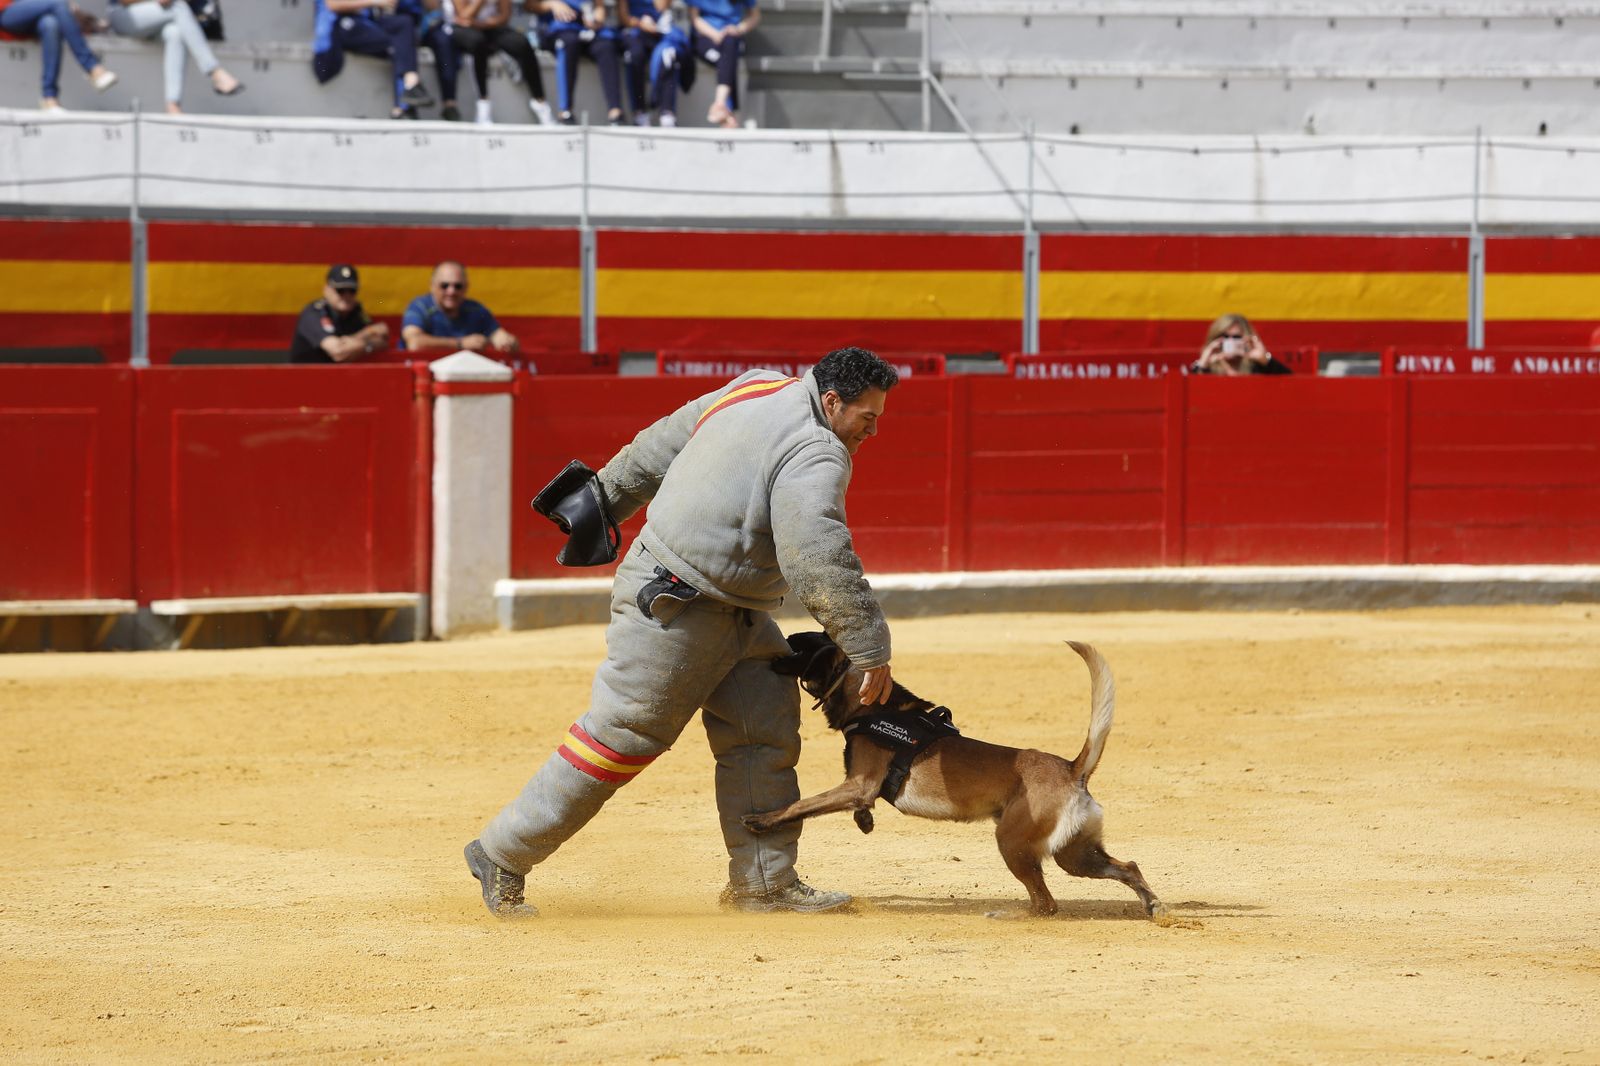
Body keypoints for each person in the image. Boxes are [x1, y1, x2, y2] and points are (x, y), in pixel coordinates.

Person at [463, 345, 899, 918]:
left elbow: (661, 443)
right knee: (624, 734)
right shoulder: (819, 452)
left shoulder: (757, 385)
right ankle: (502, 853)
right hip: (676, 604)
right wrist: (868, 647)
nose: (870, 432)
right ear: (832, 400)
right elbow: (814, 552)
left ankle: (763, 882)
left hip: (732, 608)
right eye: (866, 419)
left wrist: (607, 497)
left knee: (761, 730)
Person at [107, 0, 242, 115]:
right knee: (177, 6)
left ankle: (173, 105)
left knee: (175, 33)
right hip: (124, 15)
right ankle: (215, 71)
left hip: (155, 19)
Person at [311, 0, 436, 120]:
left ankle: (409, 86)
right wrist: (375, 2)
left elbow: (433, 6)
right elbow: (332, 5)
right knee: (400, 44)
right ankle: (405, 103)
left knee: (404, 23)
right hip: (341, 25)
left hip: (368, 23)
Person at [0, 0, 119, 110]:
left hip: (36, 11)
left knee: (51, 24)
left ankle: (49, 97)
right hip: (6, 10)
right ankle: (93, 68)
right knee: (59, 3)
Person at [448, 0, 553, 125]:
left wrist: (480, 24)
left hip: (490, 27)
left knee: (523, 43)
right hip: (464, 31)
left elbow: (504, 16)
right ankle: (483, 104)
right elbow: (464, 15)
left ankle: (540, 103)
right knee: (478, 43)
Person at [531, 0, 623, 125]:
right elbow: (529, 5)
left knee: (606, 47)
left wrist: (596, 20)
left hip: (587, 30)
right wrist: (552, 4)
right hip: (559, 30)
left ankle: (615, 112)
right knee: (568, 44)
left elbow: (599, 7)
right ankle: (565, 111)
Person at [400, 260, 519, 353]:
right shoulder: (420, 307)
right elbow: (414, 343)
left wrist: (508, 342)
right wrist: (460, 344)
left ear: (466, 287)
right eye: (444, 285)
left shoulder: (476, 310)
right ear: (432, 285)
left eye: (458, 286)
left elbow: (499, 336)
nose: (451, 291)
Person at [289, 264, 391, 363]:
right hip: (307, 378)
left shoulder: (356, 313)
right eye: (340, 290)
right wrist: (368, 334)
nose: (346, 295)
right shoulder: (313, 313)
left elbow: (382, 339)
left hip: (342, 378)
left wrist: (361, 341)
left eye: (352, 290)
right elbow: (338, 351)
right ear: (326, 289)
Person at [688, 0, 756, 128]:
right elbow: (694, 18)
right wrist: (715, 34)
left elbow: (755, 15)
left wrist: (738, 28)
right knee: (727, 61)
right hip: (705, 37)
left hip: (731, 39)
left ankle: (720, 104)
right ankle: (729, 112)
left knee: (730, 46)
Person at [396, 0, 461, 121]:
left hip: (425, 24)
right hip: (400, 23)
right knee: (405, 33)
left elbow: (432, 6)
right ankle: (405, 105)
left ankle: (449, 104)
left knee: (445, 41)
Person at [1190, 313, 1292, 376]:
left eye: (1236, 337)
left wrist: (1266, 361)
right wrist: (1202, 364)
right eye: (1225, 337)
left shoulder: (1257, 368)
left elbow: (1292, 385)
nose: (1230, 341)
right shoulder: (1208, 369)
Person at [618, 0, 669, 125]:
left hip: (657, 32)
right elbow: (624, 17)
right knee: (635, 55)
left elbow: (661, 7)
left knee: (668, 55)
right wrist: (640, 23)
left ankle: (667, 113)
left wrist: (650, 25)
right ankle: (639, 111)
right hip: (633, 31)